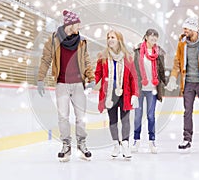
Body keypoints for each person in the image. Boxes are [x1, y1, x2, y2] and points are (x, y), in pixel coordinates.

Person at [37, 10, 95, 161]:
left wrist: (91, 77)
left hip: (78, 84)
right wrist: (40, 79)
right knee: (63, 117)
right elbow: (45, 59)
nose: (79, 27)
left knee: (81, 117)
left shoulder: (81, 41)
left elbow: (86, 60)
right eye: (77, 24)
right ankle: (66, 146)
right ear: (70, 25)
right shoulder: (54, 40)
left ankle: (82, 144)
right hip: (62, 83)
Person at [165, 16, 199, 151]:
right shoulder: (182, 43)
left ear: (193, 29)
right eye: (184, 28)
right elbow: (177, 62)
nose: (184, 31)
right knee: (187, 112)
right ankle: (187, 139)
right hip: (188, 83)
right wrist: (173, 77)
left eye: (186, 28)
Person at [94, 29, 139, 159]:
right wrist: (91, 83)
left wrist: (135, 94)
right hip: (109, 94)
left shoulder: (128, 58)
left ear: (119, 40)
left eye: (113, 37)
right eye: (108, 37)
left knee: (125, 120)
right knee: (113, 120)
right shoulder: (102, 57)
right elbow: (97, 74)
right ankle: (116, 144)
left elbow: (133, 77)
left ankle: (125, 144)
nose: (110, 40)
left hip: (125, 93)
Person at [132, 29, 166, 153]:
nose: (153, 42)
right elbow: (133, 70)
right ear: (146, 37)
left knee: (151, 116)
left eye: (155, 40)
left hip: (153, 89)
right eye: (151, 39)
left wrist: (165, 83)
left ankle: (152, 141)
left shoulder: (159, 52)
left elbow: (161, 70)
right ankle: (136, 140)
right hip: (140, 88)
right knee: (137, 116)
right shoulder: (137, 51)